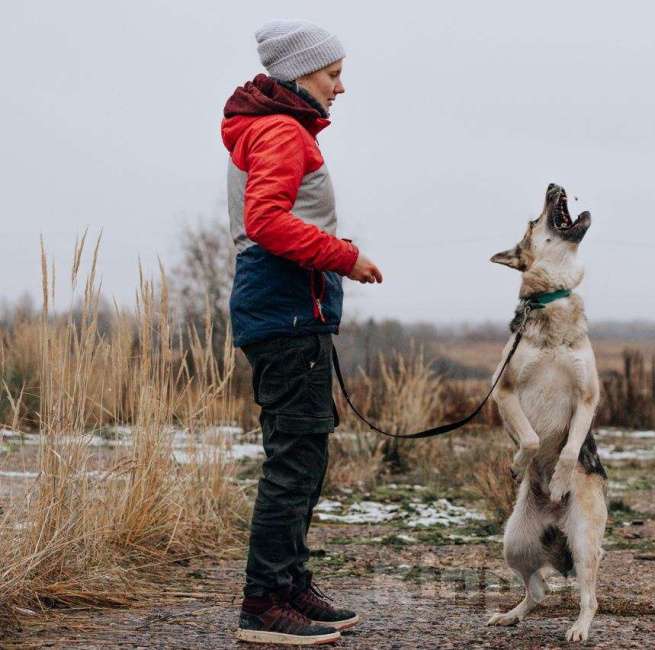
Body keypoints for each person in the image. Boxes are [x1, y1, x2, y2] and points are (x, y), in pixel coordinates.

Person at [221, 19, 382, 646]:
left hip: (286, 311)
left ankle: (289, 585)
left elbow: (277, 218)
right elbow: (266, 221)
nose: (341, 87)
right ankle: (263, 605)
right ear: (299, 75)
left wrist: (330, 253)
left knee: (305, 455)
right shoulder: (283, 131)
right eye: (333, 74)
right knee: (294, 461)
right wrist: (345, 257)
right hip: (285, 311)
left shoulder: (271, 128)